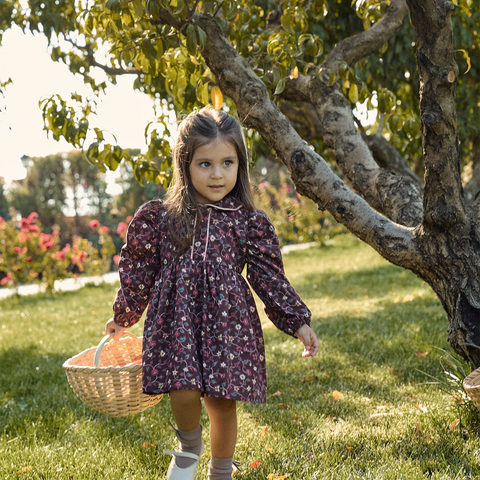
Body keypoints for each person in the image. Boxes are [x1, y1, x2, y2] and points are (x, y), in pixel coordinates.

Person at [106, 106, 320, 480]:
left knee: (222, 402)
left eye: (227, 162)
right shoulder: (163, 217)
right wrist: (124, 315)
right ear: (185, 165)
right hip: (178, 322)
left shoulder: (247, 221)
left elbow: (268, 276)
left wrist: (297, 321)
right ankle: (188, 448)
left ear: (240, 166)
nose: (218, 173)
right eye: (205, 164)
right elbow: (139, 269)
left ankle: (221, 472)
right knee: (182, 389)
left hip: (226, 324)